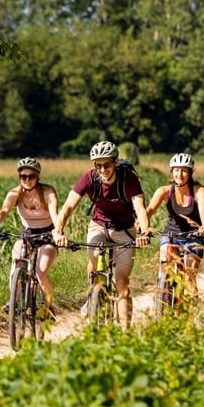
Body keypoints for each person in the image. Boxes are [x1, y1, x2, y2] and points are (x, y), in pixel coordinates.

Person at [54, 141, 151, 329]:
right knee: (94, 262)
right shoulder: (89, 178)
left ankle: (125, 332)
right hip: (98, 226)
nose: (102, 169)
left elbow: (140, 207)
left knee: (122, 280)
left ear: (115, 162)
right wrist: (58, 232)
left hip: (124, 229)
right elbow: (68, 206)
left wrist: (145, 233)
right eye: (98, 165)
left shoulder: (128, 179)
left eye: (106, 164)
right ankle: (93, 295)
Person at [0, 157, 60, 316]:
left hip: (47, 234)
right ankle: (13, 301)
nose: (27, 180)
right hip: (26, 233)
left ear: (37, 177)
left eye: (31, 176)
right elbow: (4, 210)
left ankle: (48, 306)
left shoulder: (47, 192)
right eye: (23, 176)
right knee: (17, 267)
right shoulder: (15, 193)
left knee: (41, 272)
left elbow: (54, 213)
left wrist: (58, 232)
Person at [145, 152, 204, 300]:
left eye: (184, 170)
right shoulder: (164, 191)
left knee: (189, 276)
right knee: (165, 268)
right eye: (176, 170)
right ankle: (164, 301)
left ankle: (193, 312)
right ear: (171, 171)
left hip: (193, 237)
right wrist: (141, 224)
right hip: (170, 235)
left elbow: (203, 210)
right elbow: (149, 210)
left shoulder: (198, 190)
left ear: (190, 173)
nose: (179, 174)